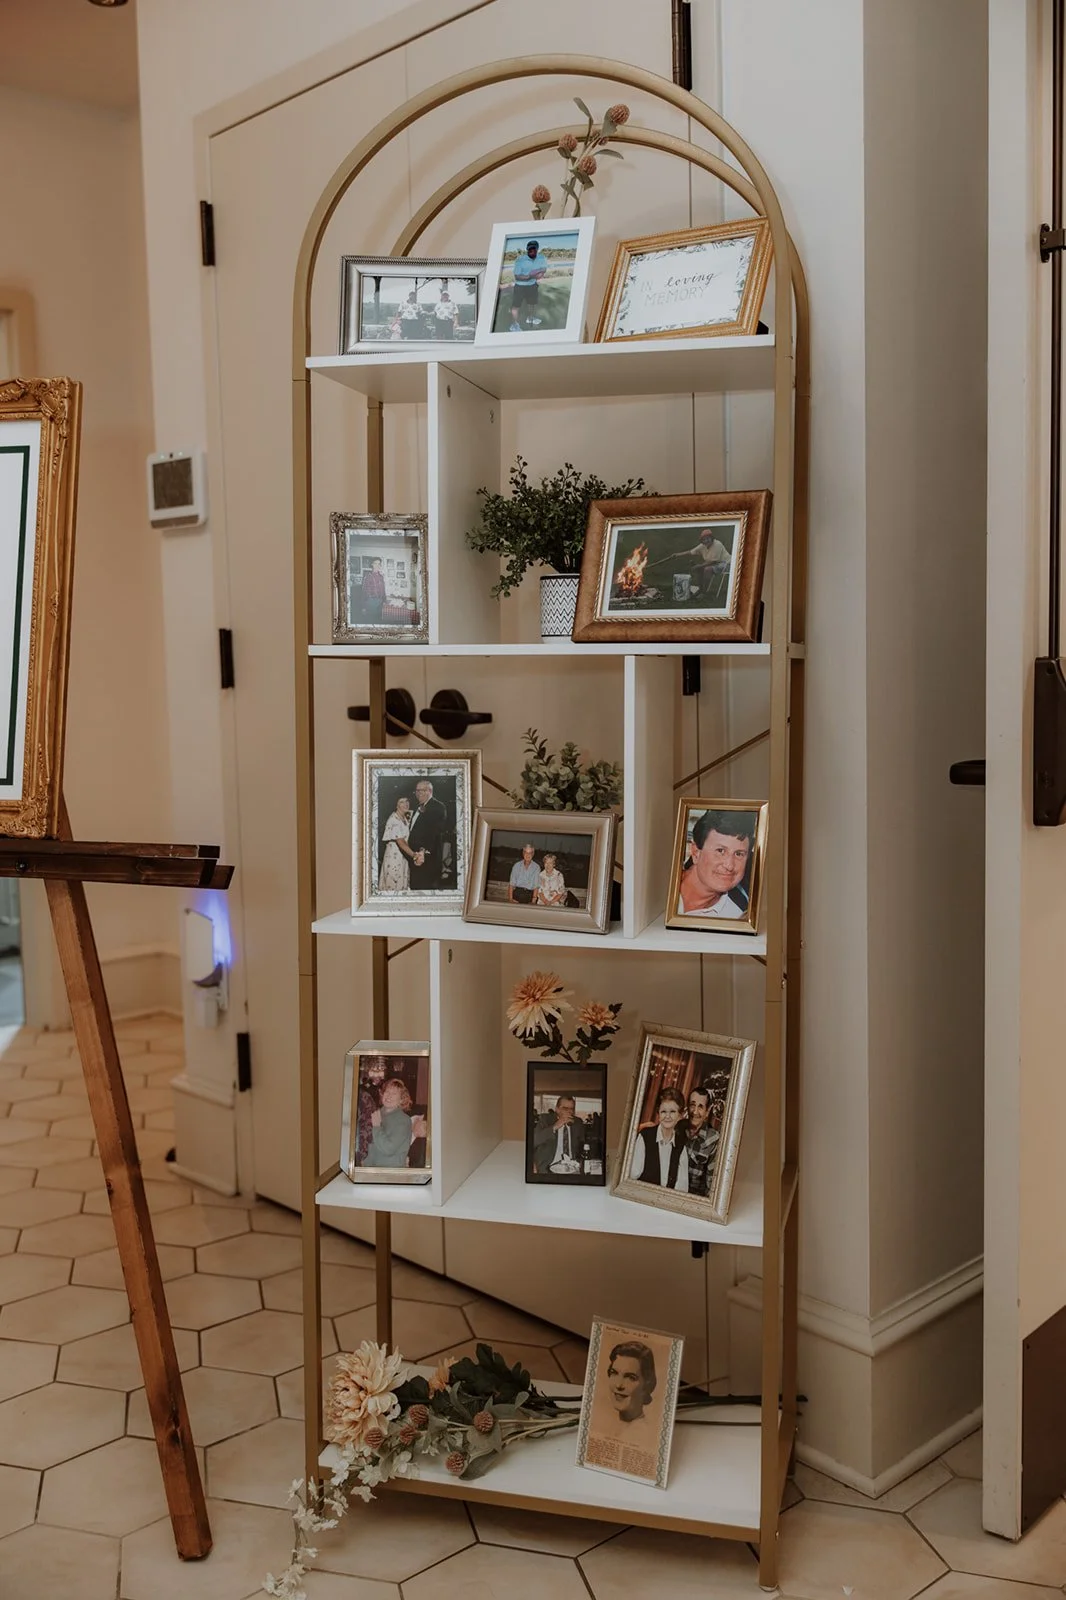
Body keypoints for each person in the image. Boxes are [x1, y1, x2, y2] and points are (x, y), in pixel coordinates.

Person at [676, 807, 756, 919]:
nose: (729, 865)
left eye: (739, 854)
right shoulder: (659, 885)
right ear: (695, 853)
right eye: (720, 851)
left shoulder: (740, 914)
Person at [597, 1341, 659, 1452]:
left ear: (646, 1384)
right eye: (614, 1373)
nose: (619, 1385)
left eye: (630, 1377)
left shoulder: (642, 1436)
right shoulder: (609, 1428)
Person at [629, 1086, 689, 1191]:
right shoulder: (644, 1137)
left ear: (680, 1115)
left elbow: (682, 1188)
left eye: (673, 1112)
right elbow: (633, 1174)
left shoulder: (680, 1146)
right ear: (658, 1113)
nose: (667, 1116)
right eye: (663, 1111)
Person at [365, 1077, 415, 1168]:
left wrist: (377, 1127)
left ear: (401, 1100)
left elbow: (389, 1148)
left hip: (390, 1173)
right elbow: (370, 1145)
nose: (389, 1096)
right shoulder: (377, 1114)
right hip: (372, 1171)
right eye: (387, 1092)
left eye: (394, 1093)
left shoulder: (403, 1120)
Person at [407, 779, 447, 890]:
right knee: (414, 886)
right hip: (413, 854)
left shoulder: (438, 806)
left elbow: (433, 832)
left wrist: (422, 851)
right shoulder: (417, 807)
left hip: (426, 857)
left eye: (422, 790)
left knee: (424, 889)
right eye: (417, 790)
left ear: (430, 791)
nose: (418, 793)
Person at [533, 1092, 585, 1176]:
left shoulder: (577, 1123)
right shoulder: (545, 1120)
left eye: (572, 1108)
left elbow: (583, 1144)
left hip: (572, 1168)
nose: (569, 1111)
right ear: (557, 1109)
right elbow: (534, 1141)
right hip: (548, 1168)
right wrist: (555, 1126)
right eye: (565, 1108)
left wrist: (581, 1162)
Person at [685, 1083, 721, 1200]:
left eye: (700, 1107)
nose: (695, 1111)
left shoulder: (713, 1139)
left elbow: (711, 1185)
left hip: (694, 1198)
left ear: (707, 1111)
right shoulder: (676, 1129)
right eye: (692, 1105)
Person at [507, 239, 547, 330]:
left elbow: (543, 270)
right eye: (530, 249)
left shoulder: (541, 258)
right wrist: (530, 276)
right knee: (516, 306)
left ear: (537, 249)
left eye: (534, 249)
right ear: (527, 249)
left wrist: (535, 274)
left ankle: (530, 318)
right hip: (520, 286)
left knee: (532, 304)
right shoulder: (520, 260)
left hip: (532, 285)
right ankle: (514, 325)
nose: (532, 251)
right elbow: (517, 276)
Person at [378, 795, 413, 892]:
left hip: (403, 854)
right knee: (393, 882)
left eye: (407, 801)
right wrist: (414, 855)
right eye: (402, 802)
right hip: (395, 854)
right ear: (396, 805)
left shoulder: (404, 818)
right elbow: (400, 842)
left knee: (402, 882)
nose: (406, 804)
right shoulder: (394, 819)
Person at [360, 558, 386, 624]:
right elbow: (363, 591)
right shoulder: (368, 576)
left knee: (378, 619)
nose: (377, 565)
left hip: (380, 601)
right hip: (371, 601)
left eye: (379, 564)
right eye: (375, 563)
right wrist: (363, 606)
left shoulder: (381, 577)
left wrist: (384, 600)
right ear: (372, 564)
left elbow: (383, 589)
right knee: (371, 620)